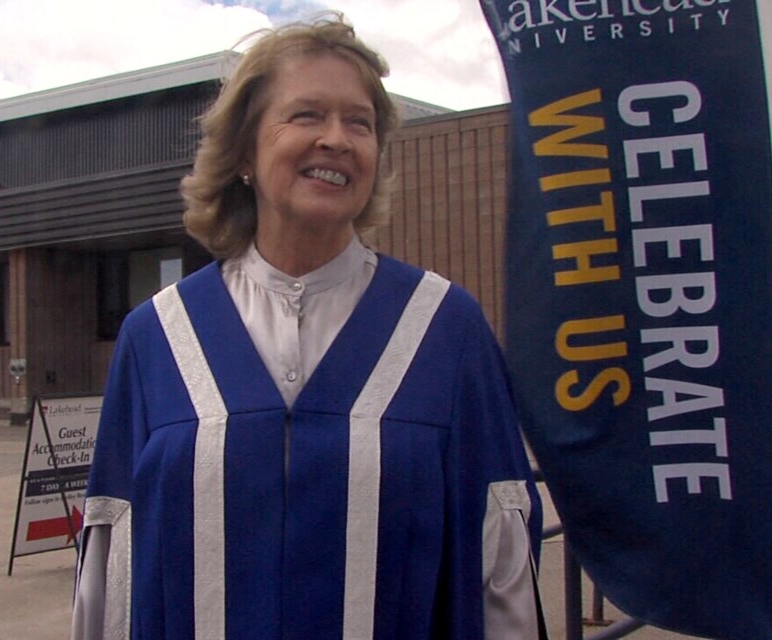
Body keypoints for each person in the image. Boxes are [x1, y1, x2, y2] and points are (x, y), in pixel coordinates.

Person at [72, 14, 545, 640]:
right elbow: (115, 574)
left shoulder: (444, 329)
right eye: (306, 115)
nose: (338, 139)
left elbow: (500, 563)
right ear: (244, 150)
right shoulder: (159, 338)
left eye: (360, 123)